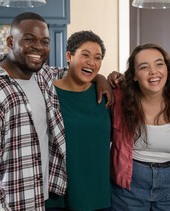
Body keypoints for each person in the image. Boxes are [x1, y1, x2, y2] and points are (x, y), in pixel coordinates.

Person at [0, 12, 113, 210]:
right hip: (4, 203)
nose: (38, 47)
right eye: (29, 39)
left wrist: (101, 78)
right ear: (10, 41)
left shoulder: (41, 76)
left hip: (35, 200)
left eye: (44, 41)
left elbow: (71, 74)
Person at [110, 43, 170, 211]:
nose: (153, 71)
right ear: (134, 75)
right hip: (129, 183)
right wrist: (103, 79)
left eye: (159, 64)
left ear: (167, 68)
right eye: (144, 67)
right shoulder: (119, 98)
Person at [44, 30, 111, 211]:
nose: (91, 62)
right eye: (85, 55)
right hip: (58, 197)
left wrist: (102, 78)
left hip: (99, 195)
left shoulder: (105, 94)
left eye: (97, 58)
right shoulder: (48, 94)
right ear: (69, 56)